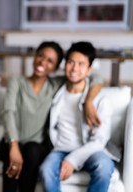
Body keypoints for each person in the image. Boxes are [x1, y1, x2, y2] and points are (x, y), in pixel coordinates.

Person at [0, 41, 103, 192]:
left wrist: (89, 101)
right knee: (12, 155)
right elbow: (8, 112)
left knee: (32, 150)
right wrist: (13, 146)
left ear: (56, 67)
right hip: (11, 142)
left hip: (36, 147)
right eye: (40, 56)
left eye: (50, 61)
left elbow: (96, 78)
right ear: (35, 57)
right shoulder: (17, 82)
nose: (42, 62)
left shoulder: (55, 85)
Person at [39, 42, 120, 192]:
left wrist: (72, 160)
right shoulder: (56, 92)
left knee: (104, 167)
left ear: (89, 70)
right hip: (60, 148)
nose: (74, 68)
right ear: (65, 65)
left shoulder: (100, 100)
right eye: (71, 62)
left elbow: (100, 140)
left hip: (90, 150)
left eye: (81, 64)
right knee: (46, 170)